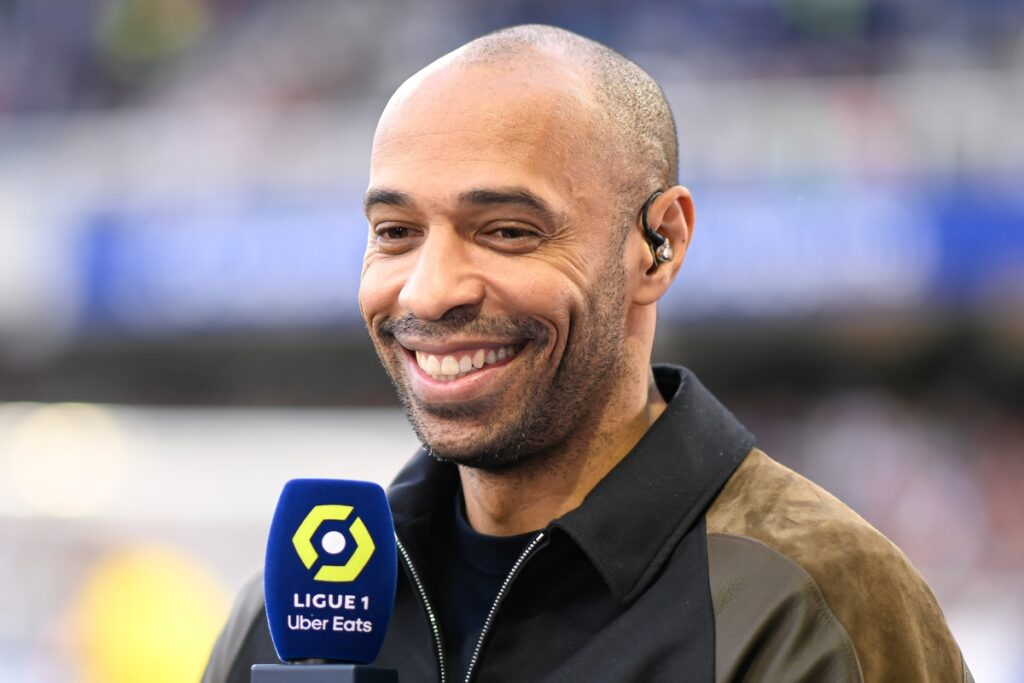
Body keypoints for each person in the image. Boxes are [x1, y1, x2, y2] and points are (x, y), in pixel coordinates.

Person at [203, 24, 971, 682]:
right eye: (395, 233)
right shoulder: (290, 613)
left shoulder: (807, 597)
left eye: (507, 230)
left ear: (658, 244)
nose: (429, 293)